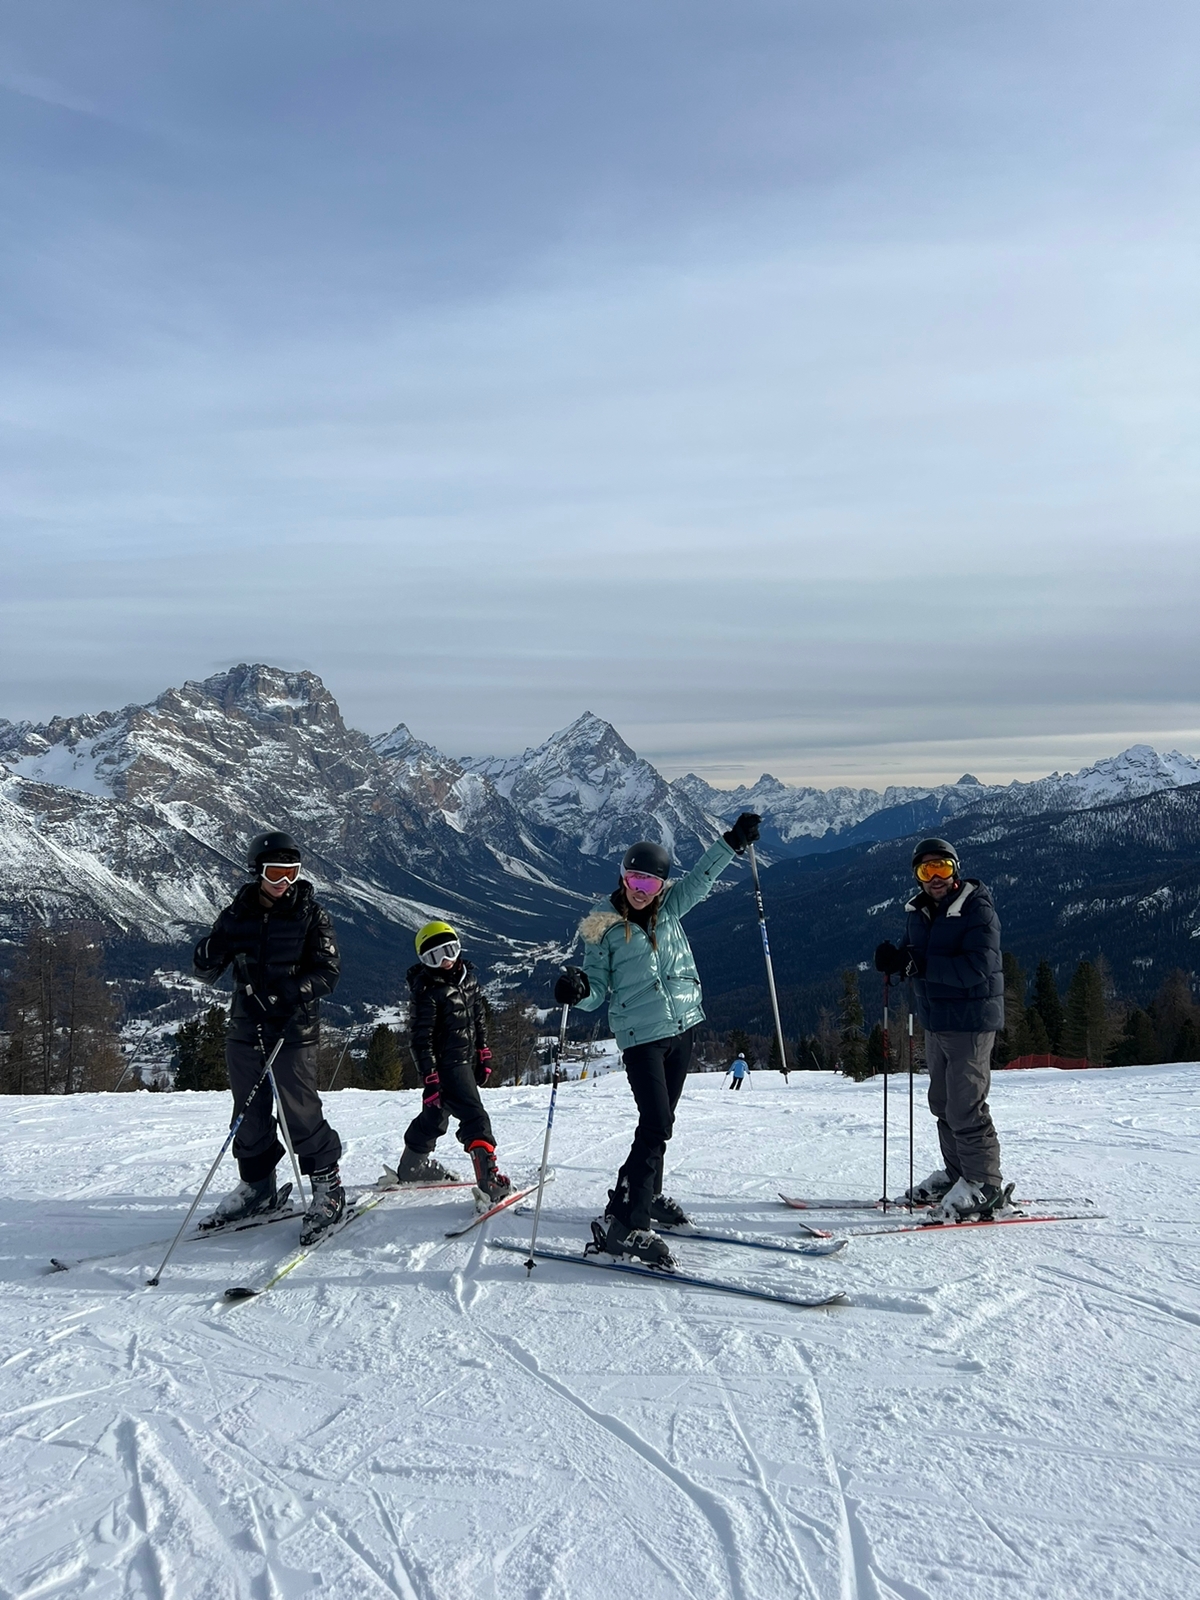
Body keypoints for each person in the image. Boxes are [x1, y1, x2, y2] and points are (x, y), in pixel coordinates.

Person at [554, 814, 761, 1266]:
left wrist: (732, 842)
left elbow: (703, 878)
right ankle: (629, 1225)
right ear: (621, 878)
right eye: (633, 879)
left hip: (682, 1027)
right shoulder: (602, 927)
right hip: (641, 1036)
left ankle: (641, 1197)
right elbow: (596, 989)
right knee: (656, 1124)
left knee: (661, 1122)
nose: (640, 890)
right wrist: (579, 991)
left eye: (650, 883)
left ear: (662, 886)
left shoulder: (671, 907)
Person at [194, 830, 345, 1245]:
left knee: (299, 1109)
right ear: (257, 871)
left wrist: (286, 993)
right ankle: (257, 1185)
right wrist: (208, 952)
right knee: (247, 1111)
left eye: (292, 872)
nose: (284, 883)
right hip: (245, 1027)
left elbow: (328, 974)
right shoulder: (237, 913)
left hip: (293, 1028)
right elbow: (207, 969)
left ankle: (328, 1187)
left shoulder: (312, 915)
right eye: (276, 873)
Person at [874, 838, 1006, 1221]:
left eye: (942, 868)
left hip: (971, 1022)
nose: (935, 877)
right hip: (936, 1021)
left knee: (966, 1105)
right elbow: (912, 956)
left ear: (955, 869)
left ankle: (984, 1183)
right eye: (925, 870)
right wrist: (895, 961)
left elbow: (975, 969)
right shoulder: (919, 912)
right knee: (943, 1103)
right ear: (917, 877)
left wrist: (921, 965)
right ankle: (957, 1174)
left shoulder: (977, 910)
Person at [392, 921, 512, 1205]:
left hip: (464, 1058)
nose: (445, 961)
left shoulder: (468, 978)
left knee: (435, 1115)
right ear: (424, 961)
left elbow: (478, 1015)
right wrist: (430, 1077)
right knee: (474, 1117)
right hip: (447, 1066)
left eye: (450, 951)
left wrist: (482, 1050)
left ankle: (412, 1166)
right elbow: (420, 1040)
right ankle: (489, 1181)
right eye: (435, 957)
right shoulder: (427, 992)